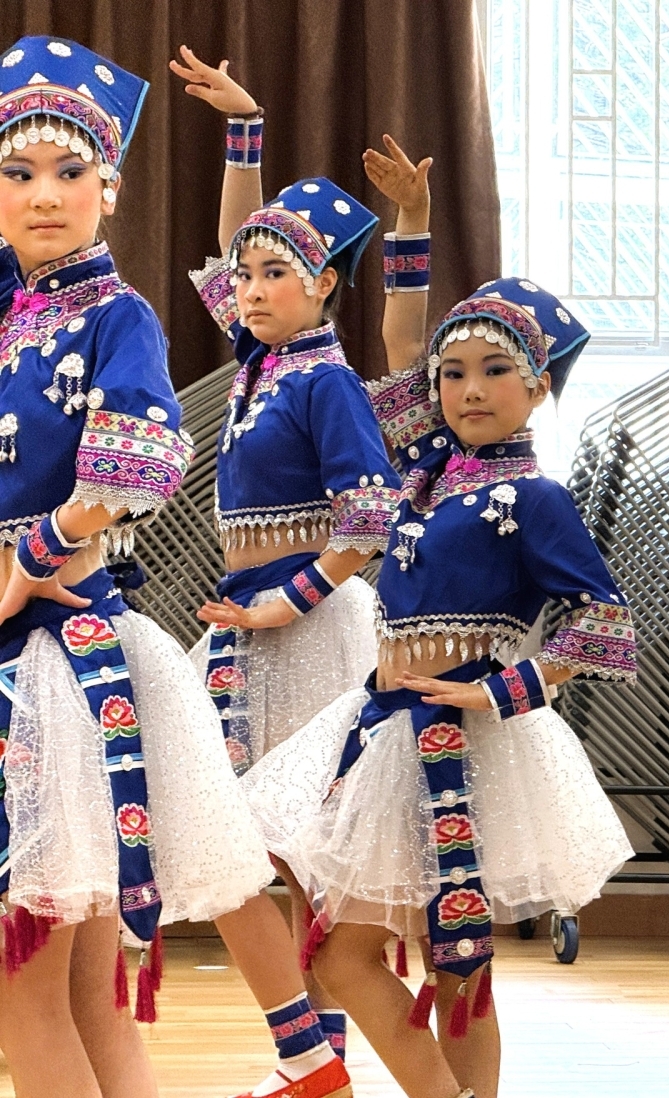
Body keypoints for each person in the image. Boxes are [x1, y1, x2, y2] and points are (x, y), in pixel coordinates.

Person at [0, 36, 351, 1098]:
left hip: (57, 661)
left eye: (70, 171)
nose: (44, 195)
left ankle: (312, 1048)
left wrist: (34, 554)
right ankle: (307, 1051)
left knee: (28, 987)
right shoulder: (13, 312)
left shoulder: (119, 317)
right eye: (17, 172)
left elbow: (139, 457)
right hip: (45, 646)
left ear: (109, 187)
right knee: (81, 992)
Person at [240, 191, 637, 1093]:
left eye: (495, 371)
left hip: (467, 740)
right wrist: (413, 227)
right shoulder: (423, 473)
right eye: (453, 375)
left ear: (539, 386)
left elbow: (603, 619)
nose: (469, 390)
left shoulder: (534, 498)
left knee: (458, 966)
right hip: (386, 729)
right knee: (342, 955)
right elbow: (400, 346)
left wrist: (505, 689)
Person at [173, 45, 409, 1061]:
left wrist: (294, 598)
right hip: (248, 623)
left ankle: (332, 1055)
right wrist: (244, 133)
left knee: (308, 848)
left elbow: (371, 514)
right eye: (246, 275)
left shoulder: (324, 380)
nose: (251, 287)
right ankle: (308, 1052)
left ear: (323, 285)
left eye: (277, 274)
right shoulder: (259, 362)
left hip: (307, 627)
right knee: (234, 838)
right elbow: (235, 243)